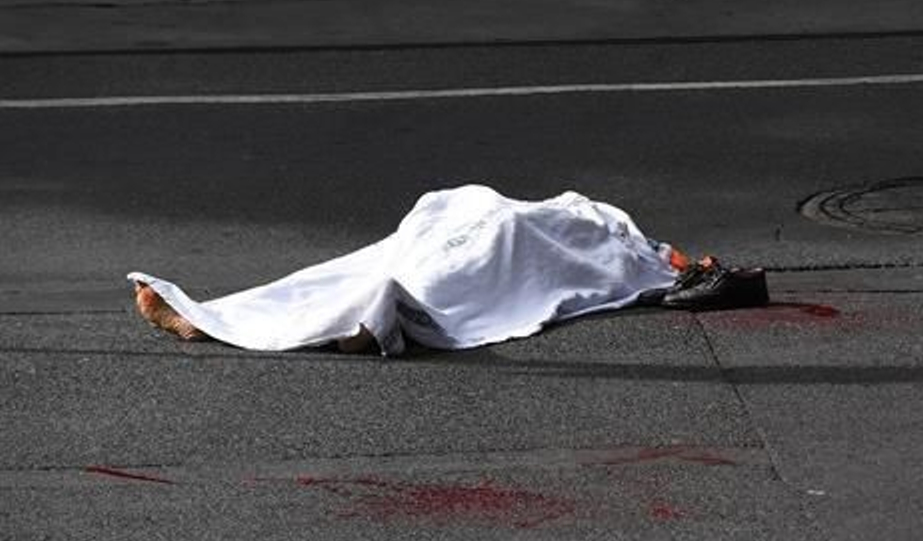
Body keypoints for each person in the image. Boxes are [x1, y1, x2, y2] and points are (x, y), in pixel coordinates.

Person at [132, 185, 767, 355]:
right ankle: (220, 317)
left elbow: (591, 275)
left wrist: (673, 270)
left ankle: (366, 322)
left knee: (412, 281)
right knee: (369, 266)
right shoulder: (624, 236)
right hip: (483, 222)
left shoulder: (641, 261)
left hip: (510, 244)